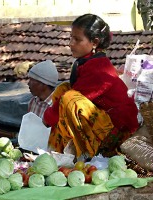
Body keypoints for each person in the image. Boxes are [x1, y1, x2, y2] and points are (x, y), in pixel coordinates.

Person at [42, 14, 139, 160]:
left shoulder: (99, 69)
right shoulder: (87, 62)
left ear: (94, 42)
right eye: (71, 38)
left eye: (77, 39)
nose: (71, 44)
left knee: (70, 98)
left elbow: (73, 98)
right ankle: (57, 152)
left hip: (119, 131)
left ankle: (88, 155)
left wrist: (47, 118)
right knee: (64, 89)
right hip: (104, 122)